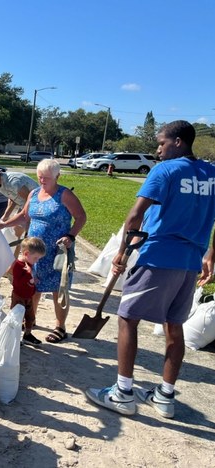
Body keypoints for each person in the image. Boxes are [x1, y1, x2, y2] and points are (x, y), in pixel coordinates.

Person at [86, 120, 215, 419]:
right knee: (175, 325)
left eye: (161, 143)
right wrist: (211, 254)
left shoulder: (165, 170)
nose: (158, 149)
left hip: (159, 257)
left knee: (127, 318)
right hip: (189, 262)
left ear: (179, 142)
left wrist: (120, 254)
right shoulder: (211, 173)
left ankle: (122, 393)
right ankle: (165, 396)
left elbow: (134, 217)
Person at [0, 159, 86, 343]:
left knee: (58, 288)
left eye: (47, 178)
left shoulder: (64, 195)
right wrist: (5, 223)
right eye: (40, 177)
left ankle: (60, 326)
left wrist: (71, 236)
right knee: (32, 284)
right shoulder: (34, 193)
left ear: (57, 176)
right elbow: (24, 215)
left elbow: (81, 217)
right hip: (34, 250)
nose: (42, 180)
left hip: (57, 250)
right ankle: (31, 320)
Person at [10, 236, 46, 345]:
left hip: (28, 296)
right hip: (19, 295)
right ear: (26, 254)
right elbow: (17, 282)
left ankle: (27, 335)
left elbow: (29, 281)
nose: (37, 261)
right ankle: (13, 336)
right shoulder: (18, 265)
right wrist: (29, 276)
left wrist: (33, 281)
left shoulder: (29, 264)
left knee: (30, 317)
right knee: (16, 316)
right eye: (36, 258)